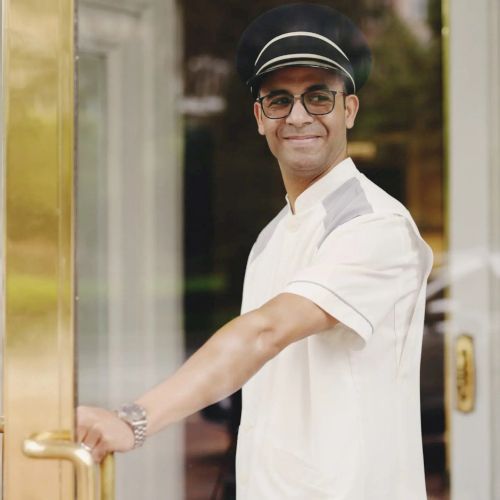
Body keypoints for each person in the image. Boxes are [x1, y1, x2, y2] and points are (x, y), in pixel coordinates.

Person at [77, 4, 433, 499]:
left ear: (349, 109)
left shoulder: (375, 225)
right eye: (279, 101)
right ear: (260, 118)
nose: (300, 116)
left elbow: (264, 332)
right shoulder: (272, 237)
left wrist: (133, 420)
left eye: (319, 97)